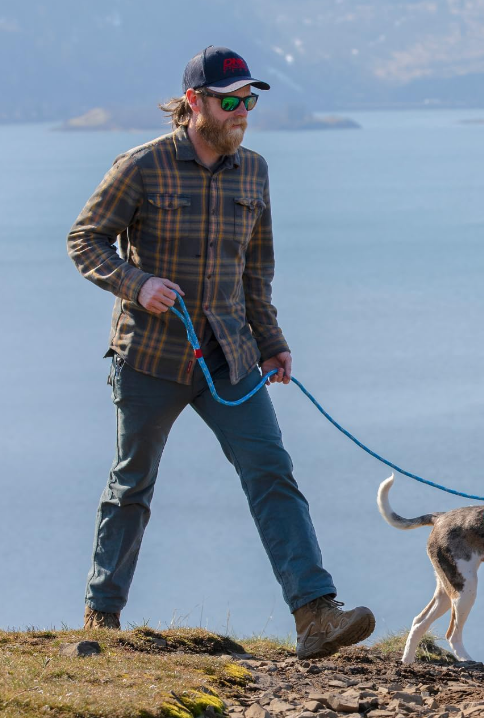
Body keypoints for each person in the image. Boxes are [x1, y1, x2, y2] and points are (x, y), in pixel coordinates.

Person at [67, 46, 375, 660]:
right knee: (132, 485)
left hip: (230, 361)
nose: (242, 112)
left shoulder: (255, 172)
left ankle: (315, 615)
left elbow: (255, 273)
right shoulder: (142, 166)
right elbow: (85, 239)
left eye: (249, 100)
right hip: (149, 359)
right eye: (230, 101)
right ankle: (101, 620)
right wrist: (137, 283)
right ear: (194, 104)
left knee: (272, 474)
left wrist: (273, 342)